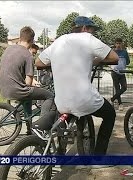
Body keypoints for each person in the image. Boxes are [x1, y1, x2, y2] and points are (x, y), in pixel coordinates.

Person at [35, 16, 119, 155]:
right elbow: (114, 57)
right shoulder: (88, 39)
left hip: (62, 102)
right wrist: (95, 61)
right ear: (85, 28)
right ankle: (98, 158)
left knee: (63, 118)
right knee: (110, 114)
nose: (93, 33)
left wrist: (59, 62)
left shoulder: (59, 41)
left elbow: (38, 62)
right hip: (84, 100)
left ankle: (60, 151)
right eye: (92, 30)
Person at [0, 26, 54, 135]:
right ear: (32, 40)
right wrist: (35, 86)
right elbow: (28, 82)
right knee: (49, 96)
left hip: (3, 88)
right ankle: (41, 126)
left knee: (28, 100)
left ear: (20, 37)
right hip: (17, 90)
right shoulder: (27, 55)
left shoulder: (8, 49)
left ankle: (30, 129)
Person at [110, 38, 130, 111]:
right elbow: (108, 61)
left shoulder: (125, 52)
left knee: (124, 87)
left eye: (119, 43)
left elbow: (128, 62)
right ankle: (120, 104)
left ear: (122, 44)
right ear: (115, 44)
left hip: (122, 72)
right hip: (114, 72)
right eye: (117, 43)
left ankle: (112, 99)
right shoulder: (112, 52)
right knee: (117, 88)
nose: (118, 45)